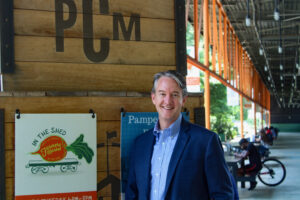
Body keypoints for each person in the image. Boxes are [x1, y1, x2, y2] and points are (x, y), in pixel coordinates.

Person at [126, 70, 234, 200]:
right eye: (162, 94)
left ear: (184, 99)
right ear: (153, 98)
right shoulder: (140, 144)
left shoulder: (206, 142)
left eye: (175, 95)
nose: (168, 101)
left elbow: (222, 195)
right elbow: (132, 193)